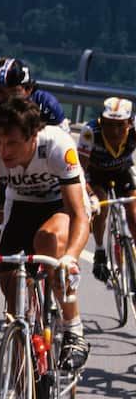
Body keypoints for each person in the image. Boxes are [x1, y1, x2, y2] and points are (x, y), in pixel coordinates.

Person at [0, 96, 90, 370]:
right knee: (12, 289)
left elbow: (79, 215)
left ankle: (74, 329)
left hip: (60, 206)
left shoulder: (58, 145)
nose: (4, 151)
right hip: (21, 207)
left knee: (48, 241)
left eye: (13, 143)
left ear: (33, 136)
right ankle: (23, 375)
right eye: (0, 141)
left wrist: (71, 257)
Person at [78, 96, 136, 282]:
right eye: (109, 124)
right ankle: (100, 251)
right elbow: (79, 171)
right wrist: (90, 195)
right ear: (102, 121)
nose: (115, 130)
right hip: (96, 174)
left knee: (134, 212)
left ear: (129, 122)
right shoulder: (90, 132)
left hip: (122, 171)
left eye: (120, 125)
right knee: (101, 206)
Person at [0, 58, 69, 136]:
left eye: (14, 92)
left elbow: (65, 141)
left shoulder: (46, 104)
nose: (9, 99)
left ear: (29, 89)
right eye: (2, 92)